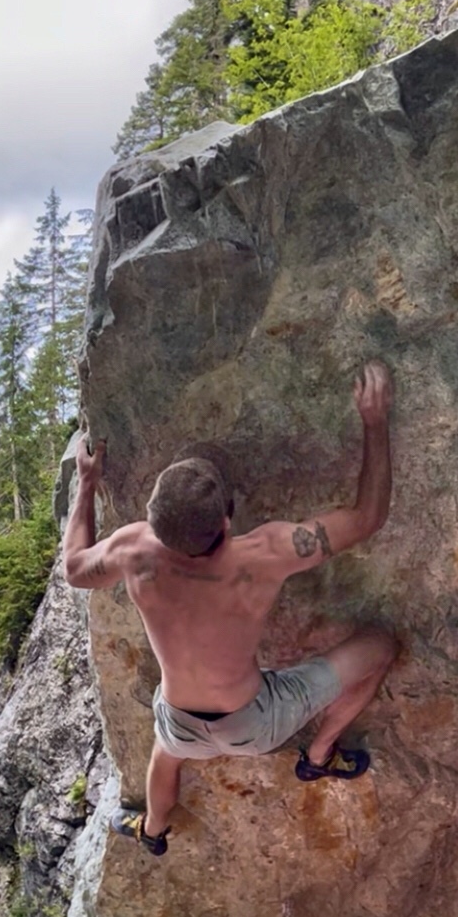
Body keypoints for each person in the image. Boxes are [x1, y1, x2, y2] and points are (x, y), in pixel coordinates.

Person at [63, 360, 397, 856]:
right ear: (225, 521)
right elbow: (367, 517)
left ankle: (152, 830)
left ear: (154, 520)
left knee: (167, 752)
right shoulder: (264, 554)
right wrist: (374, 421)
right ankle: (319, 754)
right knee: (381, 647)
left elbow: (74, 569)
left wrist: (87, 483)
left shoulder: (134, 550)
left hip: (179, 720)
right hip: (251, 723)